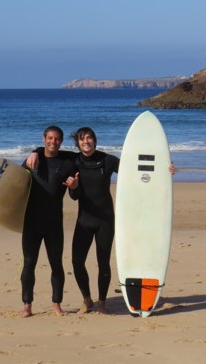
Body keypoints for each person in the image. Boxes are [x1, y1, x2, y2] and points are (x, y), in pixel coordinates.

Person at [27, 125, 174, 314]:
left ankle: (102, 302)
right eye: (82, 139)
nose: (86, 142)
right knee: (77, 262)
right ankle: (87, 299)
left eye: (89, 138)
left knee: (103, 262)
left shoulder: (107, 160)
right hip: (84, 220)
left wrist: (164, 170)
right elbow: (52, 153)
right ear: (78, 143)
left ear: (94, 140)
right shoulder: (74, 161)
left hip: (105, 220)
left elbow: (135, 171)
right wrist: (36, 152)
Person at [20, 125, 78, 317]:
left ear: (61, 141)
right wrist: (0, 213)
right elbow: (14, 189)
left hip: (54, 222)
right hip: (31, 222)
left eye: (57, 139)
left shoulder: (68, 162)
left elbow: (74, 195)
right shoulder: (31, 162)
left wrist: (74, 186)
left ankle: (56, 304)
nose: (53, 142)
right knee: (29, 263)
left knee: (56, 264)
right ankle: (27, 305)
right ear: (44, 138)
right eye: (50, 138)